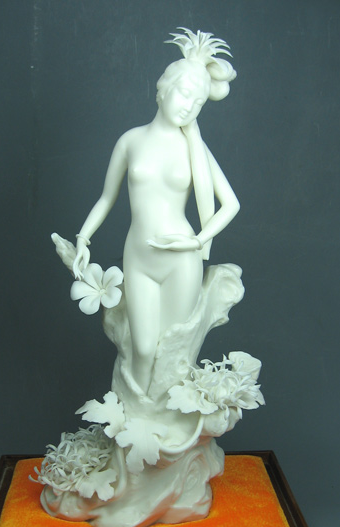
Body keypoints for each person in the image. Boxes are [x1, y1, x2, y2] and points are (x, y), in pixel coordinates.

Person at [72, 29, 240, 394]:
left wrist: (198, 240)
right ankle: (137, 418)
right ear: (163, 88)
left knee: (173, 352)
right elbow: (106, 198)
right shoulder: (131, 141)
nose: (188, 106)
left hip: (181, 261)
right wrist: (83, 238)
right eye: (184, 93)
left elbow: (231, 204)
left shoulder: (195, 150)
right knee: (143, 349)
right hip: (139, 257)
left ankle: (166, 428)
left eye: (198, 102)